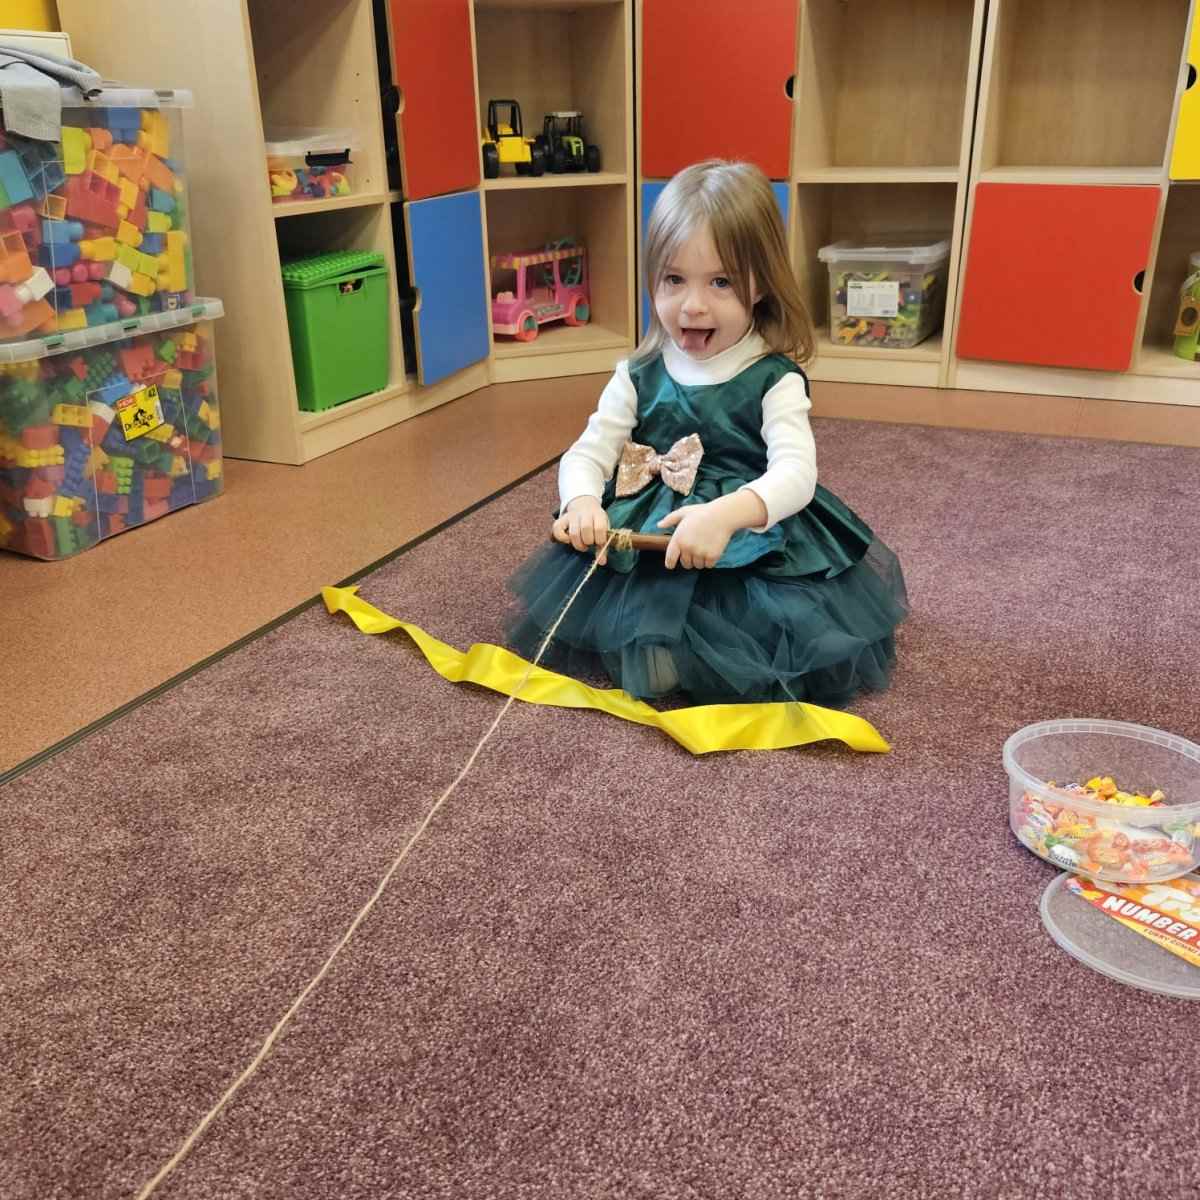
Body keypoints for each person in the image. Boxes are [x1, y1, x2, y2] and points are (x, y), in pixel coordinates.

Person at [507, 159, 908, 707]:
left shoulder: (774, 378)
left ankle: (700, 655)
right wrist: (580, 501)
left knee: (764, 635)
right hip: (650, 527)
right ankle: (656, 646)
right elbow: (587, 453)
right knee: (636, 633)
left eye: (721, 282)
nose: (692, 305)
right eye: (674, 279)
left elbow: (797, 474)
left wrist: (725, 516)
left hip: (744, 528)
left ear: (761, 284)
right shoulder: (637, 374)